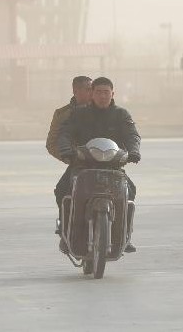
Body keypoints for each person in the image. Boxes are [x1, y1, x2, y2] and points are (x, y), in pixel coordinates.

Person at [57, 76, 140, 253]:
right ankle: (65, 233)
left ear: (113, 94)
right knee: (62, 189)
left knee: (130, 191)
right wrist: (66, 150)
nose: (103, 96)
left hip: (113, 166)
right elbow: (65, 133)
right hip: (82, 165)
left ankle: (125, 235)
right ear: (92, 94)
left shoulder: (121, 115)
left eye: (106, 92)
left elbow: (132, 135)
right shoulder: (79, 114)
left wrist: (134, 151)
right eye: (98, 92)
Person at [45, 75, 93, 163]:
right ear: (75, 91)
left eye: (93, 89)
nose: (92, 93)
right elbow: (51, 144)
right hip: (79, 164)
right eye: (88, 89)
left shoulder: (102, 109)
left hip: (104, 160)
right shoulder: (62, 114)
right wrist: (71, 159)